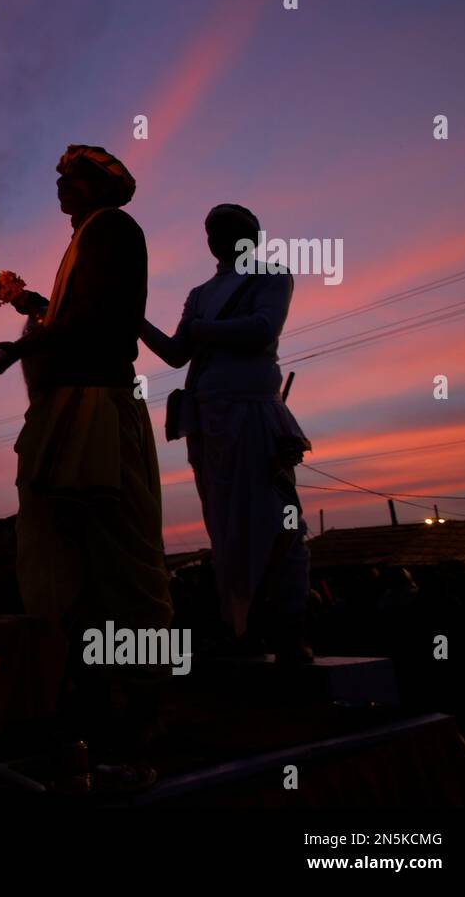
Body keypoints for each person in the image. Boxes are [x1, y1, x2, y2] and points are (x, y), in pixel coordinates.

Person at [0, 144, 174, 779]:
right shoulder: (90, 236)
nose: (59, 184)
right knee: (73, 573)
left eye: (70, 176)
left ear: (96, 187)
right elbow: (74, 316)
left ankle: (134, 741)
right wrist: (29, 303)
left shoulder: (114, 229)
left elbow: (96, 323)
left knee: (119, 574)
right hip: (72, 412)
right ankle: (87, 733)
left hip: (96, 415)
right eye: (57, 175)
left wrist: (9, 351)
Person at [140, 203, 313, 664]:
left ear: (253, 235)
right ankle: (242, 631)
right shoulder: (200, 294)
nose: (220, 237)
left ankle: (287, 629)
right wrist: (134, 320)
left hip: (254, 418)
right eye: (214, 230)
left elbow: (261, 330)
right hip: (210, 425)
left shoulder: (271, 277)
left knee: (276, 523)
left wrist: (202, 330)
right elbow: (178, 354)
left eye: (232, 229)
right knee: (226, 531)